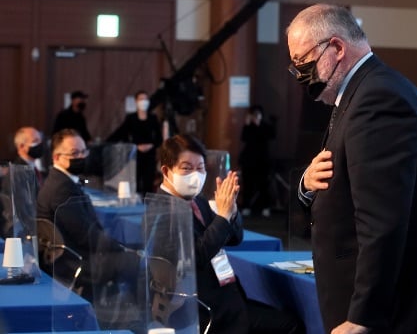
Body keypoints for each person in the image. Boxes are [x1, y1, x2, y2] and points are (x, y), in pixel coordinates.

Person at [289, 5, 417, 333]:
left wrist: (362, 316)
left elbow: (382, 221)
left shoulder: (378, 99)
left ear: (336, 48)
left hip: (394, 307)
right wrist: (307, 183)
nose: (301, 75)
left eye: (303, 62)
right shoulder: (361, 93)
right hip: (385, 299)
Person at [154, 134, 301, 334]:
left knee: (287, 313)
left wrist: (231, 209)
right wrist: (222, 216)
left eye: (200, 168)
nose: (195, 175)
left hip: (227, 299)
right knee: (291, 325)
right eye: (187, 168)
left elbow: (234, 239)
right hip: (202, 310)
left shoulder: (197, 200)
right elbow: (197, 257)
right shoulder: (162, 210)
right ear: (166, 171)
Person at [36, 129, 138, 294]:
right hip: (73, 261)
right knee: (134, 262)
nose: (81, 157)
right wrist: (121, 248)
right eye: (74, 153)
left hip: (75, 254)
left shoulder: (62, 181)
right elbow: (85, 236)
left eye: (84, 151)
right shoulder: (61, 189)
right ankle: (132, 309)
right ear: (56, 157)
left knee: (129, 256)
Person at [107, 90, 163, 195]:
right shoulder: (131, 118)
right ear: (136, 101)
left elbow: (159, 138)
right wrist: (135, 146)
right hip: (135, 154)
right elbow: (122, 134)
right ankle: (136, 202)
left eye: (145, 99)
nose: (144, 101)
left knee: (148, 181)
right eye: (141, 99)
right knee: (136, 180)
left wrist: (151, 145)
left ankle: (147, 202)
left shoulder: (153, 118)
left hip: (150, 155)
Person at [239, 105, 276, 217]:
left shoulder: (265, 126)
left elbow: (270, 136)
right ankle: (246, 206)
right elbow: (244, 138)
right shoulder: (248, 126)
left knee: (264, 184)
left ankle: (265, 207)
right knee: (247, 185)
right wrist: (247, 124)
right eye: (253, 114)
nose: (255, 116)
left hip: (262, 161)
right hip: (249, 160)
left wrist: (258, 124)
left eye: (257, 114)